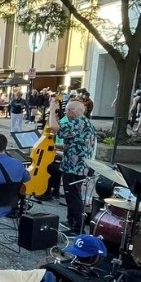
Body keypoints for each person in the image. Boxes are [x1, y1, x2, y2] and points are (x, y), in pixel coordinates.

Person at [49, 98, 96, 234]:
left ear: (72, 111)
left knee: (73, 197)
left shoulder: (77, 123)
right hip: (80, 166)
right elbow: (75, 142)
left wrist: (52, 109)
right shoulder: (86, 122)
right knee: (73, 195)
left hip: (74, 167)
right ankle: (72, 221)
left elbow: (54, 128)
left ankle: (77, 228)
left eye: (66, 111)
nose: (66, 114)